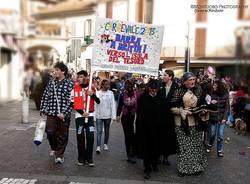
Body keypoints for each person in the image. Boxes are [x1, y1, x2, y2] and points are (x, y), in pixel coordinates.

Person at [170, 72, 207, 176]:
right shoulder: (178, 91)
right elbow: (172, 107)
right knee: (184, 147)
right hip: (182, 124)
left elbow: (202, 104)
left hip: (196, 123)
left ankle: (195, 168)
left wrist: (203, 110)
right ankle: (183, 169)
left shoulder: (198, 90)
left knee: (196, 147)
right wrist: (182, 111)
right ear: (184, 82)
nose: (193, 82)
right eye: (190, 80)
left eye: (194, 79)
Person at [40, 62, 74, 164]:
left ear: (63, 71)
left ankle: (59, 155)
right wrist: (42, 109)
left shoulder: (70, 83)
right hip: (51, 112)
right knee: (50, 132)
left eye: (57, 70)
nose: (54, 72)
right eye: (54, 70)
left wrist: (64, 112)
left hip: (63, 115)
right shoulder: (51, 82)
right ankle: (54, 148)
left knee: (63, 135)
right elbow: (45, 96)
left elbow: (71, 101)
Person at [71, 70, 100, 166]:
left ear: (86, 77)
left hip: (90, 116)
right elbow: (72, 103)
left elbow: (98, 101)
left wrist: (93, 95)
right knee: (80, 137)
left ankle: (89, 158)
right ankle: (81, 158)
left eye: (81, 76)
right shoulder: (75, 88)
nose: (79, 78)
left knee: (90, 137)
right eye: (78, 76)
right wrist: (82, 113)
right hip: (80, 117)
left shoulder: (92, 87)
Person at [136, 79, 163, 179]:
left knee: (156, 147)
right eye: (152, 89)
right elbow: (139, 113)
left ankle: (154, 163)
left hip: (157, 128)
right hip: (145, 128)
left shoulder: (160, 98)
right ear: (148, 88)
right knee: (146, 148)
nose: (153, 91)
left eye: (155, 89)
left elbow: (162, 113)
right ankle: (147, 168)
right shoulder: (143, 98)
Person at [158, 70, 179, 165]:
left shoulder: (176, 87)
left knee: (168, 136)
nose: (163, 77)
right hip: (160, 115)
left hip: (171, 116)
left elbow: (178, 101)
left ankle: (166, 157)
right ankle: (159, 155)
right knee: (160, 135)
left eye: (165, 75)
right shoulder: (160, 86)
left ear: (170, 77)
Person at [117, 80, 139, 164]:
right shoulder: (123, 94)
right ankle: (129, 155)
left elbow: (138, 104)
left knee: (132, 135)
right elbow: (119, 105)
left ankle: (133, 152)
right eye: (126, 85)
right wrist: (118, 115)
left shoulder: (135, 94)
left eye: (129, 86)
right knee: (127, 135)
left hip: (132, 116)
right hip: (125, 117)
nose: (128, 87)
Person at [206, 80, 229, 157]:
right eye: (213, 85)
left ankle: (219, 150)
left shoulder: (225, 95)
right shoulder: (210, 94)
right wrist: (210, 102)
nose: (214, 86)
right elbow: (206, 105)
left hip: (222, 118)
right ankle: (210, 144)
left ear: (219, 86)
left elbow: (227, 108)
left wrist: (225, 118)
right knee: (212, 134)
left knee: (220, 135)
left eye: (215, 85)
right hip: (213, 118)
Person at [95, 79, 116, 153]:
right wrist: (94, 116)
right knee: (99, 131)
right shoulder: (97, 93)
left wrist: (113, 116)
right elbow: (95, 105)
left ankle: (105, 144)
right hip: (99, 115)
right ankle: (98, 146)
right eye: (106, 84)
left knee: (107, 131)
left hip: (108, 116)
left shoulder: (110, 93)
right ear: (102, 85)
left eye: (108, 84)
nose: (108, 86)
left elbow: (113, 104)